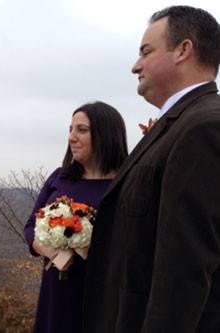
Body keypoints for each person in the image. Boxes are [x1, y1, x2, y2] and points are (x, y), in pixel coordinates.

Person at [83, 6, 220, 333]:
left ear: (183, 51)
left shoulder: (203, 128)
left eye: (146, 52)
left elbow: (183, 271)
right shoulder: (177, 126)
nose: (135, 66)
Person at [24, 101, 128, 333]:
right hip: (57, 294)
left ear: (106, 134)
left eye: (81, 130)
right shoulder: (59, 178)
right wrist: (50, 250)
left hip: (103, 295)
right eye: (70, 129)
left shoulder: (126, 184)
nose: (72, 137)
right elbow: (31, 226)